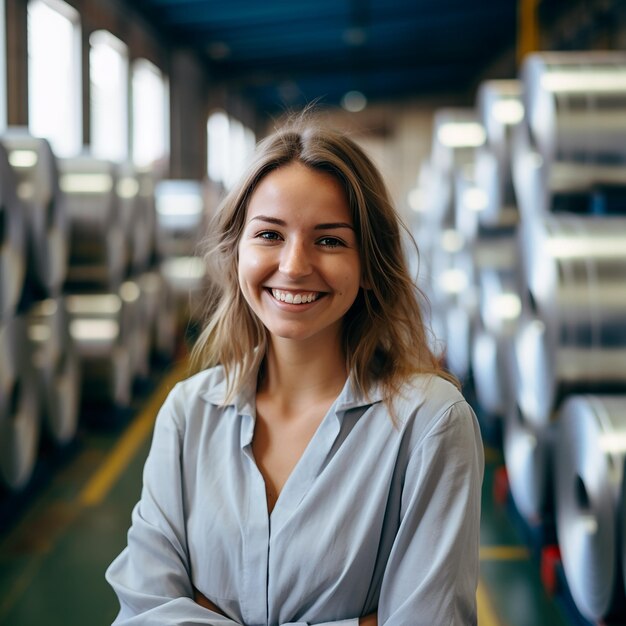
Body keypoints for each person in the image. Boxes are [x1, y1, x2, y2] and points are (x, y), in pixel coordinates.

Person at [106, 117, 484, 626]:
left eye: (329, 241)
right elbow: (142, 612)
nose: (294, 265)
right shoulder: (188, 413)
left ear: (369, 264)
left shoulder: (429, 424)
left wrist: (204, 612)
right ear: (236, 249)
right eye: (269, 234)